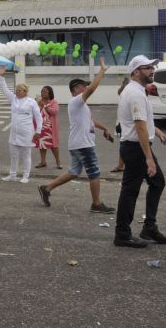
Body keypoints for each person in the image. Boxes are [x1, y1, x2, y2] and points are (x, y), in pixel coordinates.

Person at [37, 57, 115, 213]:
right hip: (83, 144)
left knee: (74, 172)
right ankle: (97, 204)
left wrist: (105, 128)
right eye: (84, 86)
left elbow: (91, 121)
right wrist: (102, 71)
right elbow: (92, 89)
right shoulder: (76, 101)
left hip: (78, 143)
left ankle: (47, 188)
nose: (86, 88)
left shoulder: (81, 105)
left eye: (86, 86)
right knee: (94, 173)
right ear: (76, 88)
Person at [114, 55, 166, 248]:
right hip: (136, 148)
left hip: (137, 146)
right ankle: (122, 234)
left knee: (157, 182)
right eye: (147, 67)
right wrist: (149, 158)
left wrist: (156, 130)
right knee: (130, 191)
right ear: (136, 72)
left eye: (152, 67)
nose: (152, 70)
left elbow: (140, 120)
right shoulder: (136, 93)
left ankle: (149, 228)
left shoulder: (136, 90)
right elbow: (138, 126)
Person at [0, 67, 42, 183]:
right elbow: (4, 88)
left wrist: (38, 131)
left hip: (27, 132)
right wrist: (1, 76)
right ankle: (12, 175)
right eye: (16, 90)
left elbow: (38, 117)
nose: (17, 92)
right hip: (14, 133)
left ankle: (25, 176)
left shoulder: (31, 102)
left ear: (25, 92)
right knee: (13, 155)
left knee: (26, 155)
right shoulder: (13, 99)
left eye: (19, 90)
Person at [35, 85, 62, 169]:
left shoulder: (53, 102)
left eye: (44, 91)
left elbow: (54, 112)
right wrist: (37, 105)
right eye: (42, 91)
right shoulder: (38, 102)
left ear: (49, 93)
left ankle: (58, 162)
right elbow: (35, 113)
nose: (42, 93)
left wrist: (45, 106)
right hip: (41, 127)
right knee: (42, 144)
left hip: (50, 127)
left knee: (54, 146)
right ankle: (43, 161)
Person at [110, 77, 131, 173]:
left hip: (128, 123)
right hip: (123, 122)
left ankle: (122, 165)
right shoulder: (124, 93)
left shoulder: (130, 93)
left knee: (126, 145)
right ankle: (121, 165)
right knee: (124, 144)